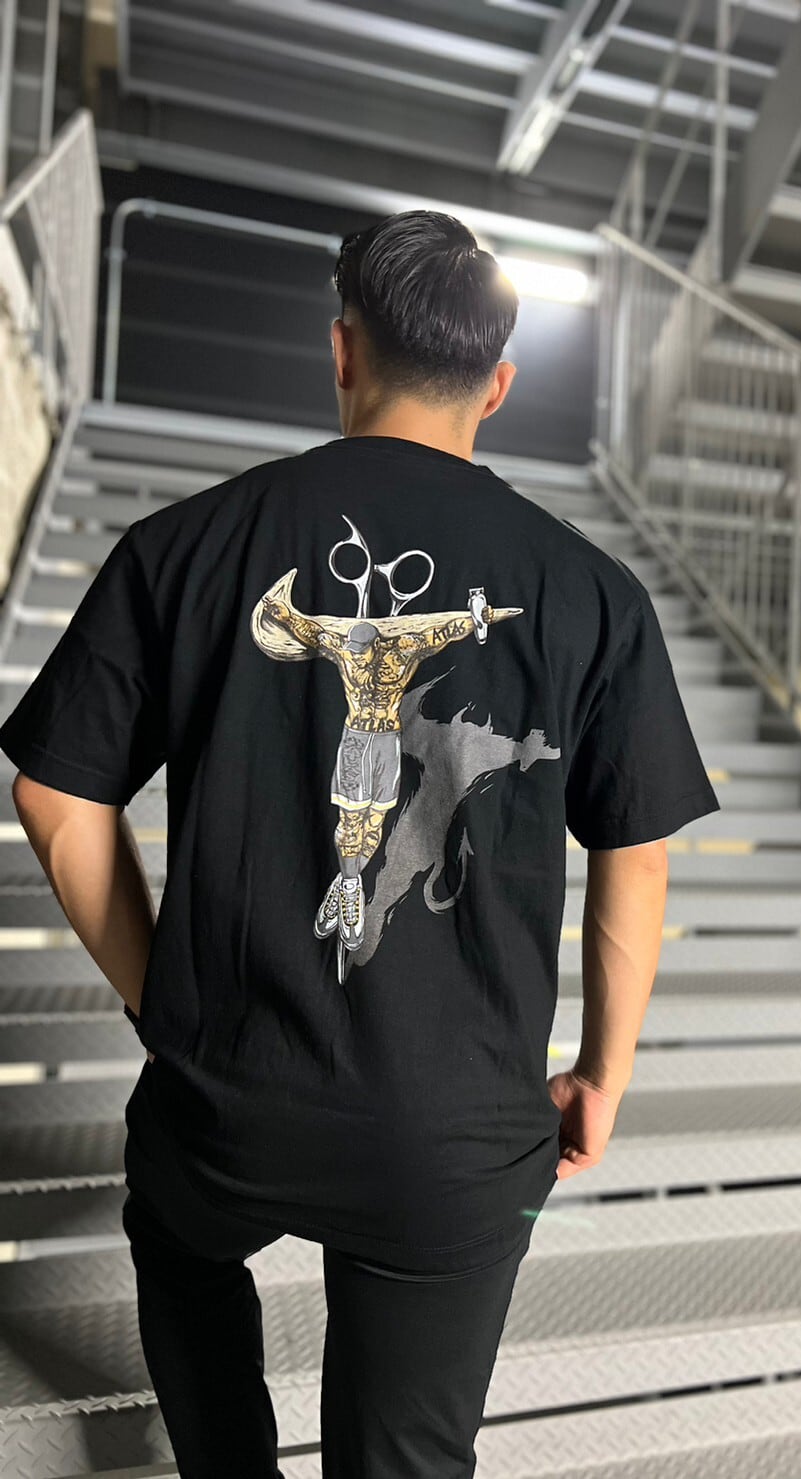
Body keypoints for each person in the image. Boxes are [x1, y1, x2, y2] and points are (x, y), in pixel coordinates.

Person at [0, 209, 721, 1478]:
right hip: (455, 1133)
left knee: (179, 1244)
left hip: (225, 1100)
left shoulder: (187, 547)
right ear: (497, 385)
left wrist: (163, 994)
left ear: (342, 351)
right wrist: (599, 1077)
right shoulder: (589, 594)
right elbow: (637, 855)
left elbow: (56, 796)